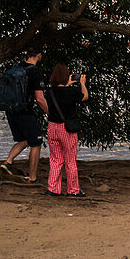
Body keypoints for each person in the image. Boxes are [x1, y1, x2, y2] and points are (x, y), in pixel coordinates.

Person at [41, 64, 88, 196]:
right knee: (70, 159)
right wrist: (82, 83)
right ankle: (73, 190)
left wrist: (67, 84)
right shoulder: (71, 92)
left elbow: (58, 95)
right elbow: (84, 97)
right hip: (66, 129)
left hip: (52, 127)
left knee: (55, 159)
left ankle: (53, 188)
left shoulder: (49, 92)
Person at [0, 49, 45, 183]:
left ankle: (8, 162)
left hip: (11, 110)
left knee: (25, 139)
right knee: (36, 143)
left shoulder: (16, 68)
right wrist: (50, 113)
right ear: (38, 55)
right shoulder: (35, 72)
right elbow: (40, 99)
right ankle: (32, 178)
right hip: (25, 111)